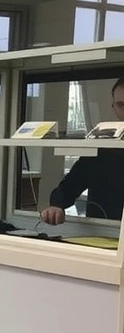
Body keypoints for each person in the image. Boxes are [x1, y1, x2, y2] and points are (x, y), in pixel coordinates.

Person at [40, 76, 124, 224]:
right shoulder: (104, 148)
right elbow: (70, 185)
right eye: (121, 105)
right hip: (104, 234)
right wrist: (56, 206)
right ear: (114, 107)